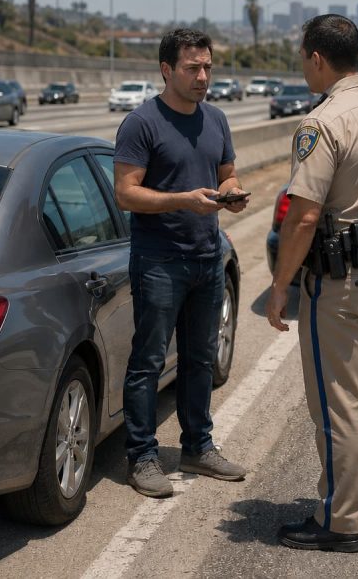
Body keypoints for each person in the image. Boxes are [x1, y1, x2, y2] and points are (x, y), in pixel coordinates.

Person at [266, 14, 358, 552]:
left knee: (339, 402)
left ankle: (339, 519)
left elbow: (304, 216)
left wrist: (281, 284)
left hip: (342, 279)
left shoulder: (323, 122)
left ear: (318, 59)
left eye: (303, 56)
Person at [114, 28, 250, 498]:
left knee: (199, 358)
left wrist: (231, 194)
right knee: (148, 361)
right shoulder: (141, 123)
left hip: (208, 257)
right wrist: (182, 201)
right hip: (159, 261)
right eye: (193, 68)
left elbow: (226, 173)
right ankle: (142, 456)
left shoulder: (216, 119)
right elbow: (126, 193)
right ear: (167, 70)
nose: (203, 76)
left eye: (208, 67)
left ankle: (197, 447)